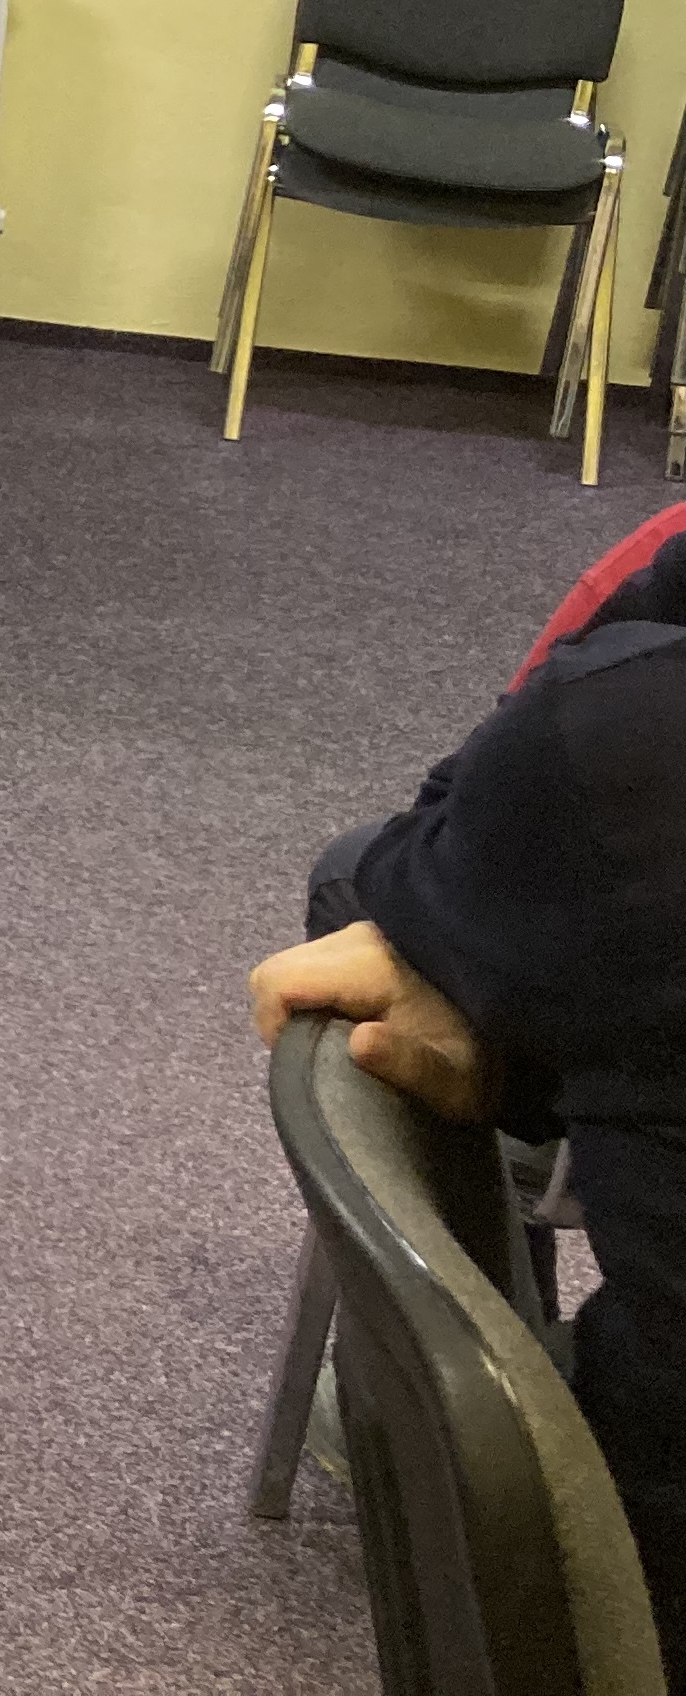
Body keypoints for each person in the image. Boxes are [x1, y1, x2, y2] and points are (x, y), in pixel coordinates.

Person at [252, 504, 686, 1652]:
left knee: (365, 893)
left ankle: (468, 1379)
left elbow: (468, 802)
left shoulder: (625, 736)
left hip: (642, 1594)